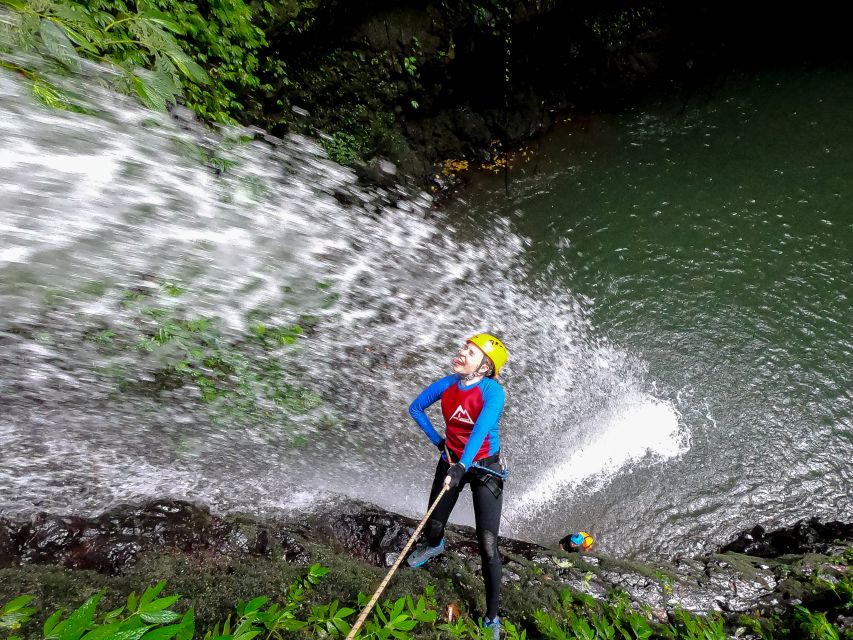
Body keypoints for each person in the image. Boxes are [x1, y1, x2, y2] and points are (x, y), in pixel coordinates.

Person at [407, 333, 509, 640]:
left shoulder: (493, 392)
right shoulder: (448, 383)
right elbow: (415, 408)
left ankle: (492, 616)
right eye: (464, 348)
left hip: (484, 470)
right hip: (453, 460)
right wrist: (440, 443)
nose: (461, 353)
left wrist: (462, 465)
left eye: (471, 352)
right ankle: (435, 544)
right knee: (434, 523)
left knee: (488, 544)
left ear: (486, 366)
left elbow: (479, 431)